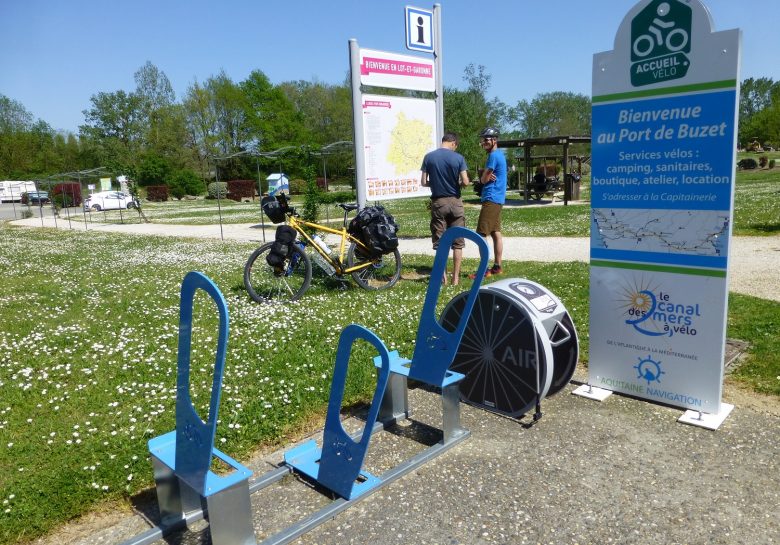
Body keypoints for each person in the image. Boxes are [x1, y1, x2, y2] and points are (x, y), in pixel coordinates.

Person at [420, 132, 470, 285]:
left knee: (440, 241)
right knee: (458, 242)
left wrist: (435, 183)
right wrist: (458, 184)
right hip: (455, 202)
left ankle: (443, 277)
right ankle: (455, 278)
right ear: (453, 143)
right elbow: (466, 182)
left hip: (438, 202)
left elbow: (423, 182)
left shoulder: (429, 157)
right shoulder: (459, 158)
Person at [470, 126, 507, 279]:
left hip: (491, 198)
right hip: (498, 199)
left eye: (486, 139)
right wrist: (484, 175)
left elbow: (483, 179)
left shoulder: (493, 156)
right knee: (495, 233)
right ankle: (497, 266)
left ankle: (484, 270)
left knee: (481, 234)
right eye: (483, 139)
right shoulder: (500, 155)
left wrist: (483, 177)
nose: (483, 142)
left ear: (494, 140)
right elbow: (485, 176)